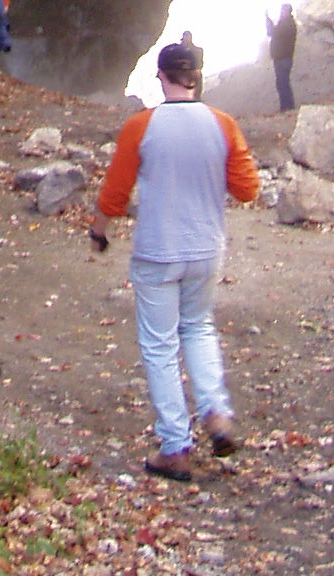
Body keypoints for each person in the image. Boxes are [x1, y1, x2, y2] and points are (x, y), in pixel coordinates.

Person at [88, 41, 260, 479]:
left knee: (160, 345)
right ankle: (216, 414)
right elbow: (247, 189)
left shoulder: (141, 127)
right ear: (196, 78)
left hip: (158, 252)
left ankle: (175, 446)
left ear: (161, 77)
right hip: (206, 249)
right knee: (198, 326)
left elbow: (115, 193)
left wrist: (99, 231)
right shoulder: (223, 124)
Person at [265, 3, 297, 112]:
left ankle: (287, 107)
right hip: (281, 57)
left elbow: (273, 33)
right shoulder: (285, 23)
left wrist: (268, 22)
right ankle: (286, 106)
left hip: (284, 58)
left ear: (288, 12)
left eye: (284, 11)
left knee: (283, 83)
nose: (282, 13)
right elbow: (273, 33)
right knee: (282, 83)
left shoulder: (288, 24)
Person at [180, 29, 205, 98]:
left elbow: (200, 64)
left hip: (192, 77)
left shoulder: (198, 50)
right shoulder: (176, 51)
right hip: (183, 78)